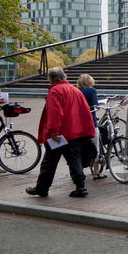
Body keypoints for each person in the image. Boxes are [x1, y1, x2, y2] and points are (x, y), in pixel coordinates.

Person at [25, 67, 96, 198]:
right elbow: (85, 111)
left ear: (50, 78)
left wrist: (53, 132)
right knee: (74, 159)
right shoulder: (75, 90)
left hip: (59, 134)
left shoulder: (55, 91)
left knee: (49, 161)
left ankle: (42, 188)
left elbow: (55, 114)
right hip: (75, 132)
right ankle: (81, 187)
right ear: (64, 76)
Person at [76, 74, 101, 176]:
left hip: (78, 124)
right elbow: (95, 105)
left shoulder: (76, 91)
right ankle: (96, 171)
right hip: (91, 122)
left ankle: (79, 171)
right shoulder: (92, 91)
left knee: (80, 147)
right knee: (95, 146)